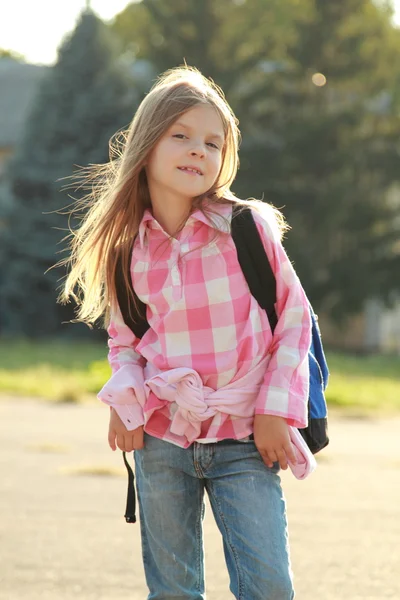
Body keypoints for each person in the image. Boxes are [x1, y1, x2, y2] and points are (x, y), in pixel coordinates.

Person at [60, 65, 313, 600]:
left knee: (268, 586)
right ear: (147, 145)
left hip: (246, 435)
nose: (199, 150)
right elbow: (126, 341)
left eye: (213, 142)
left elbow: (294, 320)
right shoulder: (128, 247)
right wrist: (125, 398)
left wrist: (273, 410)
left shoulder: (244, 229)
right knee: (172, 590)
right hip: (162, 438)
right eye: (181, 136)